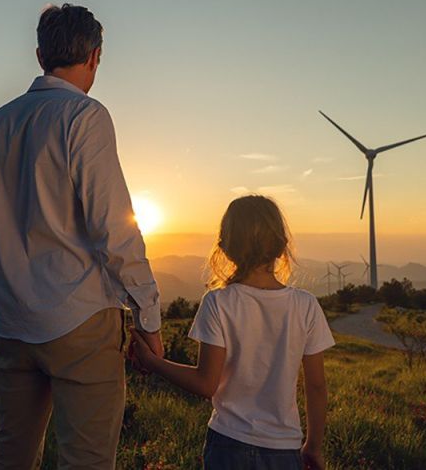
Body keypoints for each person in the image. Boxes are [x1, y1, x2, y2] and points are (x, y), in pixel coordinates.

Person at [0, 3, 163, 470]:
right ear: (95, 56)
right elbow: (114, 229)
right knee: (87, 461)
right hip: (81, 321)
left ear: (40, 55)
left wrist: (5, 298)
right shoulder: (85, 117)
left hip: (14, 325)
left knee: (11, 456)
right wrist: (148, 317)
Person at [130, 195, 334, 469]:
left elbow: (205, 384)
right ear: (282, 246)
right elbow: (317, 386)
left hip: (228, 444)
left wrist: (153, 362)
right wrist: (313, 446)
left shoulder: (218, 302)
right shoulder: (306, 305)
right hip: (283, 449)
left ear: (225, 247)